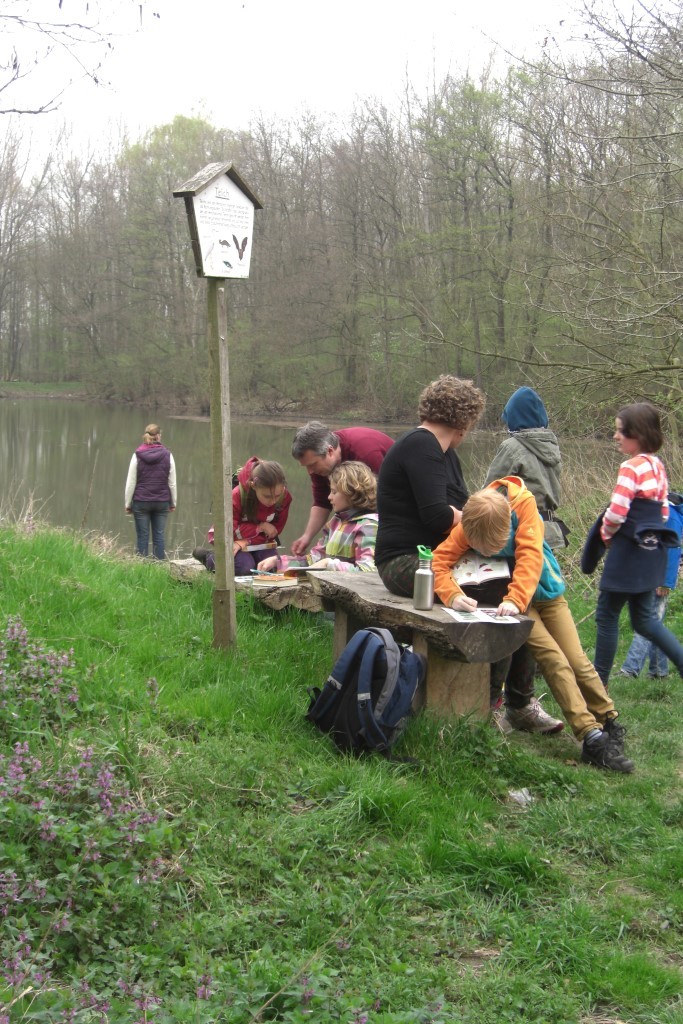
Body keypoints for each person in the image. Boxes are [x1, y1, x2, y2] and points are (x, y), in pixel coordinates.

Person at [433, 478, 635, 773]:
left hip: (545, 594)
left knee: (577, 660)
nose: (487, 554)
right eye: (480, 549)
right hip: (520, 605)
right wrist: (451, 594)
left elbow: (530, 556)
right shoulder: (473, 522)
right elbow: (439, 560)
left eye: (493, 548)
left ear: (505, 530)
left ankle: (608, 720)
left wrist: (515, 598)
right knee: (553, 660)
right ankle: (590, 735)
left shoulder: (524, 506)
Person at [484, 386, 566, 735]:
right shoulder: (552, 445)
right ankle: (522, 701)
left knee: (511, 613)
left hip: (519, 535)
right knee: (529, 615)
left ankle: (496, 703)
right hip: (547, 533)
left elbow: (490, 490)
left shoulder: (512, 446)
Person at [585, 403, 683, 688]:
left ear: (636, 434)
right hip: (651, 554)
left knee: (606, 615)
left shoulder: (631, 467)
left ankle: (597, 684)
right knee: (645, 621)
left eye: (619, 431)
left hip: (627, 556)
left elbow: (616, 513)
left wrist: (605, 536)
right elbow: (664, 513)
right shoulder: (657, 465)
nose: (615, 436)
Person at [375, 375, 485, 597]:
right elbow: (438, 518)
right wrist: (473, 519)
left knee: (515, 576)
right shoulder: (421, 444)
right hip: (405, 562)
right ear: (465, 423)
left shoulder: (446, 454)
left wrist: (459, 515)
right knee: (497, 584)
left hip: (437, 557)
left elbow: (455, 512)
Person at [290, 421, 393, 556]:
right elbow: (322, 502)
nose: (310, 471)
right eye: (307, 467)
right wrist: (307, 536)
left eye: (313, 465)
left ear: (330, 451)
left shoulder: (365, 453)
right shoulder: (321, 467)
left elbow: (383, 501)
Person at [260, 461, 378, 573]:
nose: (329, 497)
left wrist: (329, 564)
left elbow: (367, 571)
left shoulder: (369, 526)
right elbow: (314, 560)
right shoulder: (335, 522)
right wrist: (278, 562)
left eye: (334, 492)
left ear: (351, 493)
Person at [620, 491, 683, 679]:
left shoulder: (670, 515)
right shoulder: (665, 511)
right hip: (651, 574)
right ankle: (658, 671)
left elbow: (672, 550)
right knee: (655, 621)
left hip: (660, 578)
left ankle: (630, 670)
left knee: (647, 623)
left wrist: (665, 581)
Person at [193, 457, 291, 574]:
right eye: (267, 496)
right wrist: (259, 528)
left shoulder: (284, 498)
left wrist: (247, 541)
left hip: (258, 543)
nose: (273, 501)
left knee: (271, 567)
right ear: (253, 486)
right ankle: (209, 557)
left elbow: (274, 531)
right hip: (232, 540)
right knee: (244, 568)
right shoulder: (237, 496)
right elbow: (227, 532)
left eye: (277, 495)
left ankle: (251, 557)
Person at [125, 423, 176, 560]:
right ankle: (159, 568)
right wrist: (173, 502)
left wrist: (128, 503)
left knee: (142, 536)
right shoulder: (168, 455)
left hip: (141, 501)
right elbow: (172, 482)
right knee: (159, 536)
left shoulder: (137, 455)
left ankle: (140, 567)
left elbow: (131, 482)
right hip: (162, 502)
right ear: (159, 436)